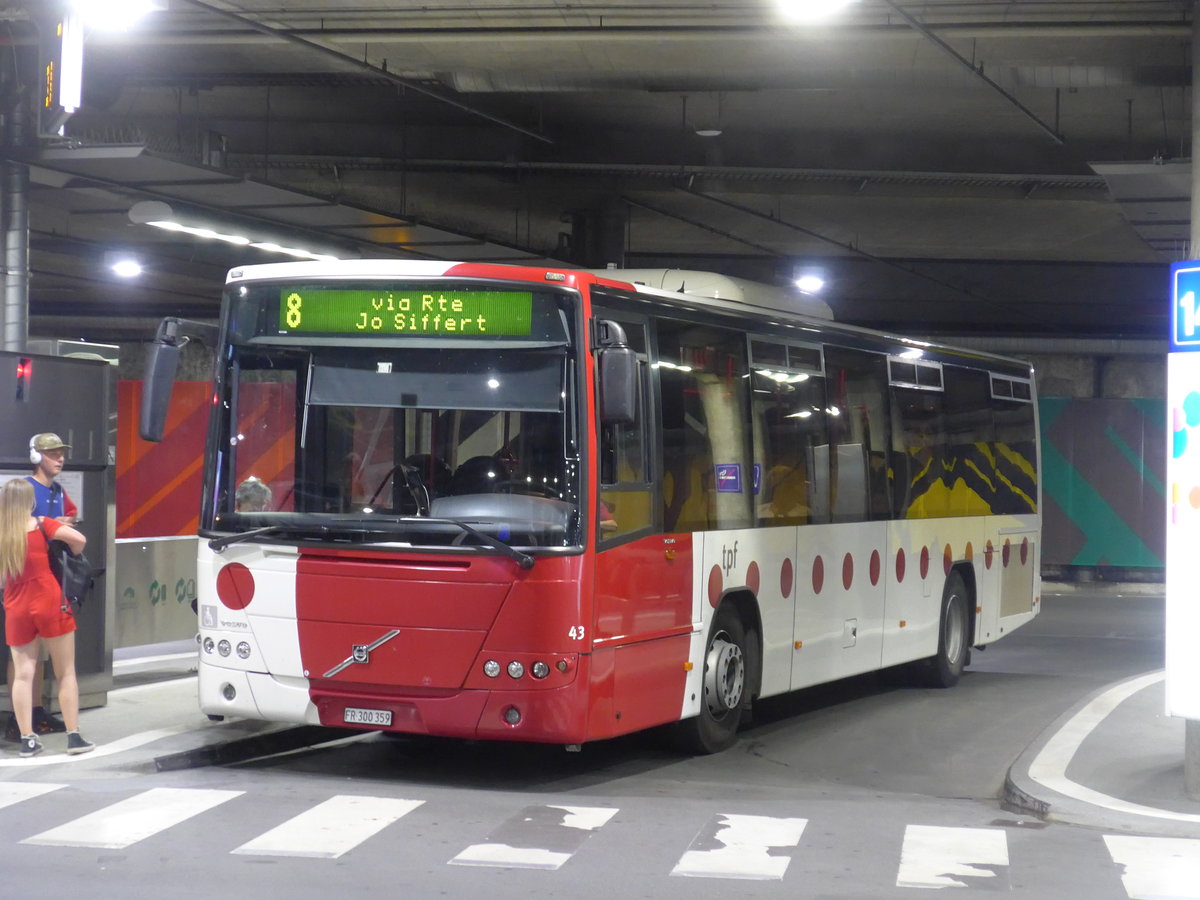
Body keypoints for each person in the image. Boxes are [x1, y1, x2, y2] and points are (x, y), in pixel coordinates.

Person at [0, 479, 95, 757]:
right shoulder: (42, 524)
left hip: (16, 607)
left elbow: (3, 581)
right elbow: (79, 540)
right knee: (65, 671)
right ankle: (74, 737)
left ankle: (28, 739)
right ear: (29, 501)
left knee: (22, 675)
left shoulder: (3, 533)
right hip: (49, 601)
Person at [4, 433, 77, 742]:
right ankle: (23, 717)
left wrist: (61, 523)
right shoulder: (23, 490)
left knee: (37, 657)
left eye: (60, 453)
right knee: (24, 659)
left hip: (49, 579)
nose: (59, 458)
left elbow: (72, 516)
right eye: (52, 454)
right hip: (24, 581)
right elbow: (13, 525)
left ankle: (34, 712)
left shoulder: (58, 490)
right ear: (37, 456)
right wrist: (49, 525)